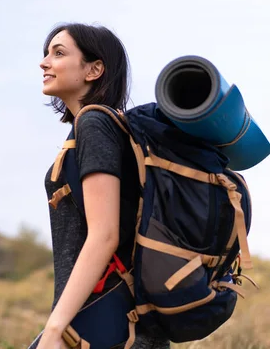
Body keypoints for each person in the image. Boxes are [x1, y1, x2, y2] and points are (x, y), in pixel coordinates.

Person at [28, 23, 170, 349]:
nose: (44, 62)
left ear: (94, 69)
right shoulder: (108, 127)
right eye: (46, 53)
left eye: (58, 53)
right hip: (113, 319)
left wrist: (55, 330)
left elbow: (105, 235)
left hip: (105, 322)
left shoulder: (95, 124)